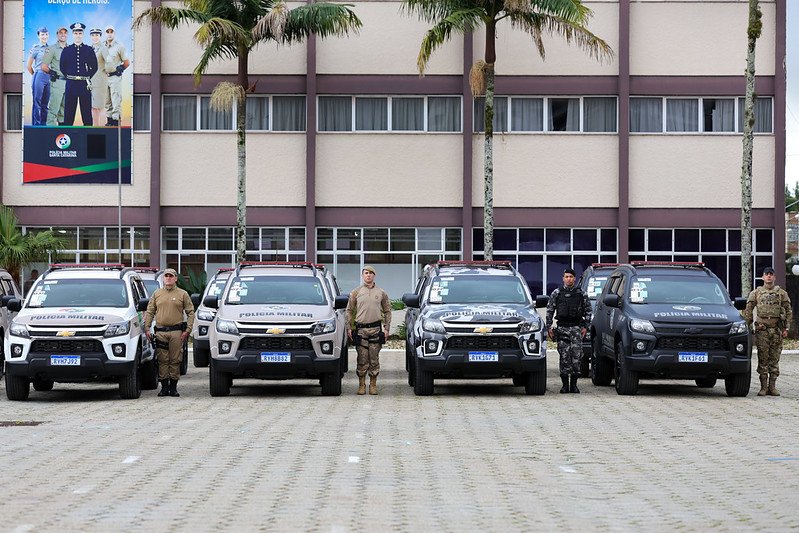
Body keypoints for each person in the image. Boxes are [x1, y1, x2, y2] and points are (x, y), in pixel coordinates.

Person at [144, 268, 195, 397]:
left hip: (176, 332)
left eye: (171, 276)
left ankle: (173, 387)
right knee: (162, 360)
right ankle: (164, 387)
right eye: (166, 276)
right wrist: (147, 328)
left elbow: (190, 313)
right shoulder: (157, 294)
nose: (168, 278)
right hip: (161, 331)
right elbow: (150, 311)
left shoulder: (182, 294)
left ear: (175, 278)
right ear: (163, 278)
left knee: (175, 360)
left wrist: (187, 330)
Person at [744, 267, 792, 396]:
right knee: (763, 358)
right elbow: (749, 310)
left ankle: (772, 387)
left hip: (776, 330)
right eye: (767, 274)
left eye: (771, 274)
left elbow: (788, 310)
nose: (769, 277)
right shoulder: (756, 292)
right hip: (762, 331)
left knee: (774, 359)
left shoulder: (782, 293)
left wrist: (786, 328)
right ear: (763, 277)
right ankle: (763, 387)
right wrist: (746, 326)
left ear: (774, 277)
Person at [345, 265, 391, 395]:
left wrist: (386, 328)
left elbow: (387, 311)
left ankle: (373, 384)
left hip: (376, 330)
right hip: (361, 331)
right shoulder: (356, 292)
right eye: (366, 273)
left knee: (374, 359)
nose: (368, 275)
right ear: (362, 275)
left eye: (371, 273)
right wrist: (349, 327)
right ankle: (361, 385)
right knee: (362, 359)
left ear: (374, 275)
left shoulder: (381, 293)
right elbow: (349, 310)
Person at [546, 268, 591, 393]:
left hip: (576, 329)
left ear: (574, 278)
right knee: (564, 357)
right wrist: (548, 327)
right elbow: (550, 309)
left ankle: (574, 385)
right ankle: (565, 385)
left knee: (576, 357)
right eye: (566, 277)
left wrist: (585, 327)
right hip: (562, 329)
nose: (569, 279)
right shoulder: (557, 293)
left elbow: (588, 310)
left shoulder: (581, 293)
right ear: (563, 278)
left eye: (571, 276)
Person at [61, 22, 98, 126]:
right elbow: (62, 67)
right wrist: (70, 76)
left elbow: (94, 67)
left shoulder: (89, 50)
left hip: (84, 85)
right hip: (71, 84)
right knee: (68, 114)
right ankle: (67, 140)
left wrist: (86, 77)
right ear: (73, 35)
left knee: (86, 115)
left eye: (80, 33)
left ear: (83, 35)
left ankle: (89, 140)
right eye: (76, 33)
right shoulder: (67, 50)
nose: (78, 35)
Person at [100, 25, 130, 126]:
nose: (109, 34)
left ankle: (116, 121)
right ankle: (109, 121)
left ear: (114, 33)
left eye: (111, 32)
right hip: (105, 77)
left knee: (116, 99)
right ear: (105, 34)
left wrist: (120, 69)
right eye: (107, 32)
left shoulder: (119, 46)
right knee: (107, 100)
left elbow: (126, 62)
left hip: (114, 77)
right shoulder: (102, 46)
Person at [41, 27, 68, 126]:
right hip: (57, 82)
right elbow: (43, 66)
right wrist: (52, 72)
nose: (63, 34)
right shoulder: (51, 49)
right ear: (57, 34)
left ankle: (63, 134)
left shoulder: (70, 49)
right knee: (54, 109)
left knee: (65, 111)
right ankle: (50, 134)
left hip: (69, 83)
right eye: (61, 33)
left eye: (65, 33)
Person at [26, 26, 50, 125]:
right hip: (38, 75)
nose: (44, 36)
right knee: (37, 102)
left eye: (46, 34)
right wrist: (35, 76)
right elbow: (28, 66)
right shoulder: (35, 48)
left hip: (48, 77)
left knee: (45, 104)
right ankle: (36, 125)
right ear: (38, 36)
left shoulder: (50, 48)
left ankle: (43, 125)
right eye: (42, 34)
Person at [89, 28, 107, 126]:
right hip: (90, 81)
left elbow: (109, 62)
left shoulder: (103, 48)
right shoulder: (90, 48)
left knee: (101, 106)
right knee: (93, 106)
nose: (95, 37)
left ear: (100, 36)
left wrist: (108, 72)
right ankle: (95, 127)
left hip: (100, 80)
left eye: (97, 35)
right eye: (93, 35)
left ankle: (103, 128)